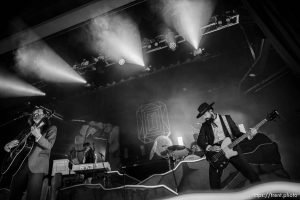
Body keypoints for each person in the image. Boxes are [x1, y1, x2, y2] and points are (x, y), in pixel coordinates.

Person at [196, 102, 260, 189]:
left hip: (231, 147)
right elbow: (200, 141)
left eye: (204, 114)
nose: (204, 117)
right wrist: (210, 147)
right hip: (217, 154)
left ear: (211, 111)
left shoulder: (226, 118)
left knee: (249, 172)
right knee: (214, 184)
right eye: (202, 116)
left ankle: (260, 191)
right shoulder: (205, 126)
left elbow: (237, 133)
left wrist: (249, 135)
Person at [3, 107, 57, 200]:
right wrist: (7, 146)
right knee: (14, 195)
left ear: (45, 116)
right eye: (34, 113)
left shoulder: (51, 128)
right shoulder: (26, 130)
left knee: (33, 196)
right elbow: (16, 146)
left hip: (37, 167)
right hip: (19, 166)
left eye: (39, 112)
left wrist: (38, 136)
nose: (35, 114)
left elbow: (49, 146)